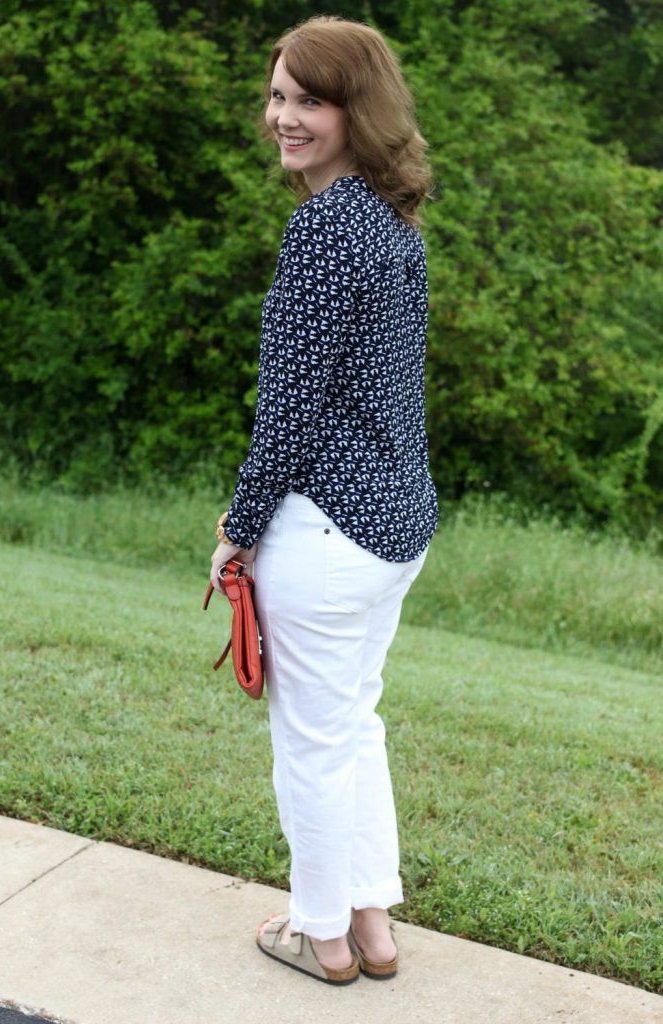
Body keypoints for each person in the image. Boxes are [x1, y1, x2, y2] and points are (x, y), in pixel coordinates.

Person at [209, 15, 438, 986]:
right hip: (395, 528)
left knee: (312, 741)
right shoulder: (388, 221)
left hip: (331, 530)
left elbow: (288, 415)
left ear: (357, 107)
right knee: (352, 723)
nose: (283, 117)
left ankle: (320, 935)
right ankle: (370, 924)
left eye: (309, 99)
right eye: (277, 96)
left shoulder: (323, 231)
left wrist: (238, 528)